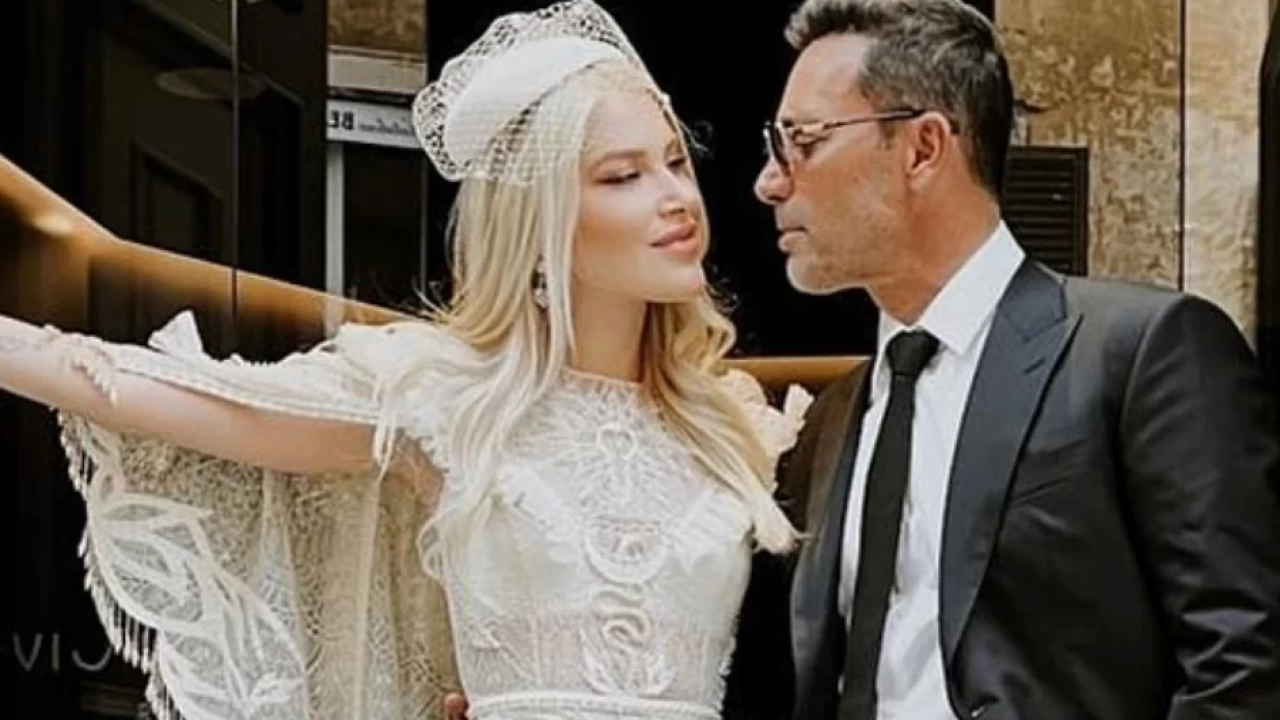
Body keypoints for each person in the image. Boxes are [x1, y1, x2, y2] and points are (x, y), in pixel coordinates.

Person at [0, 2, 815, 718]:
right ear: (538, 224)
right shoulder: (447, 398)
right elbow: (212, 402)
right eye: (624, 176)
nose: (677, 197)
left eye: (675, 161)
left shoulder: (735, 422)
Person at [752, 0, 1280, 718]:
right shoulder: (835, 416)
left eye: (801, 141)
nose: (769, 181)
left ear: (923, 148)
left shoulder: (1141, 351)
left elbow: (1242, 660)